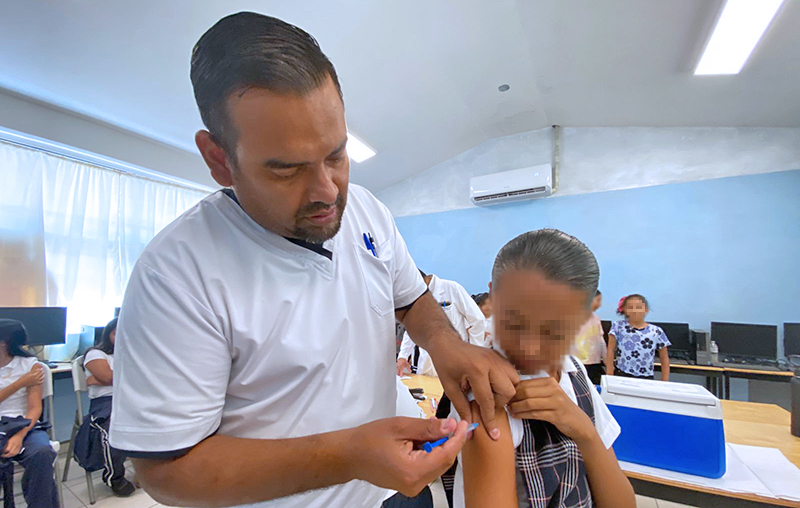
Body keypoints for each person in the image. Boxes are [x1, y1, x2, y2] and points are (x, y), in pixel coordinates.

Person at [109, 12, 519, 508]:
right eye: (287, 170)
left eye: (336, 155)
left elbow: (410, 299)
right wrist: (346, 455)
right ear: (219, 160)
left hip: (394, 494)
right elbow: (168, 473)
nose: (328, 192)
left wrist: (448, 347)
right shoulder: (176, 275)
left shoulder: (366, 209)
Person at [455, 230, 636, 508]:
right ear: (493, 296)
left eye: (555, 329)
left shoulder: (574, 372)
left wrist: (584, 431)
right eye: (515, 319)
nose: (529, 347)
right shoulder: (486, 393)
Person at [0, 319, 59, 508]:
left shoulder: (31, 365)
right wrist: (20, 382)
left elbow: (35, 409)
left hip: (24, 424)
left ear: (4, 342)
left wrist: (20, 435)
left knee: (41, 453)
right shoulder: (27, 375)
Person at [77, 318, 135, 497]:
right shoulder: (96, 353)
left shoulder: (134, 353)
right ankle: (114, 478)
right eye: (116, 333)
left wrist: (106, 379)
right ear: (108, 333)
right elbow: (107, 376)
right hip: (105, 403)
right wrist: (109, 378)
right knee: (112, 429)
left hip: (132, 400)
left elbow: (149, 377)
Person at [396, 271, 487, 377]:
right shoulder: (415, 298)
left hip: (455, 360)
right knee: (428, 391)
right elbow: (412, 327)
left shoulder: (452, 288)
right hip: (427, 364)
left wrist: (474, 354)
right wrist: (403, 355)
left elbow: (477, 319)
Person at [605, 294, 671, 381]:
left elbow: (664, 358)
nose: (635, 310)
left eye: (639, 307)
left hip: (646, 377)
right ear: (625, 310)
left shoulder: (656, 331)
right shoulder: (618, 326)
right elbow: (610, 350)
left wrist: (664, 381)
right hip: (622, 374)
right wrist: (609, 374)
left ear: (646, 309)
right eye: (630, 307)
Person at [574, 291, 606, 385]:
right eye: (597, 300)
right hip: (576, 362)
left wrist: (606, 360)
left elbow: (601, 341)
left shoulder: (595, 318)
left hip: (593, 363)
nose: (599, 304)